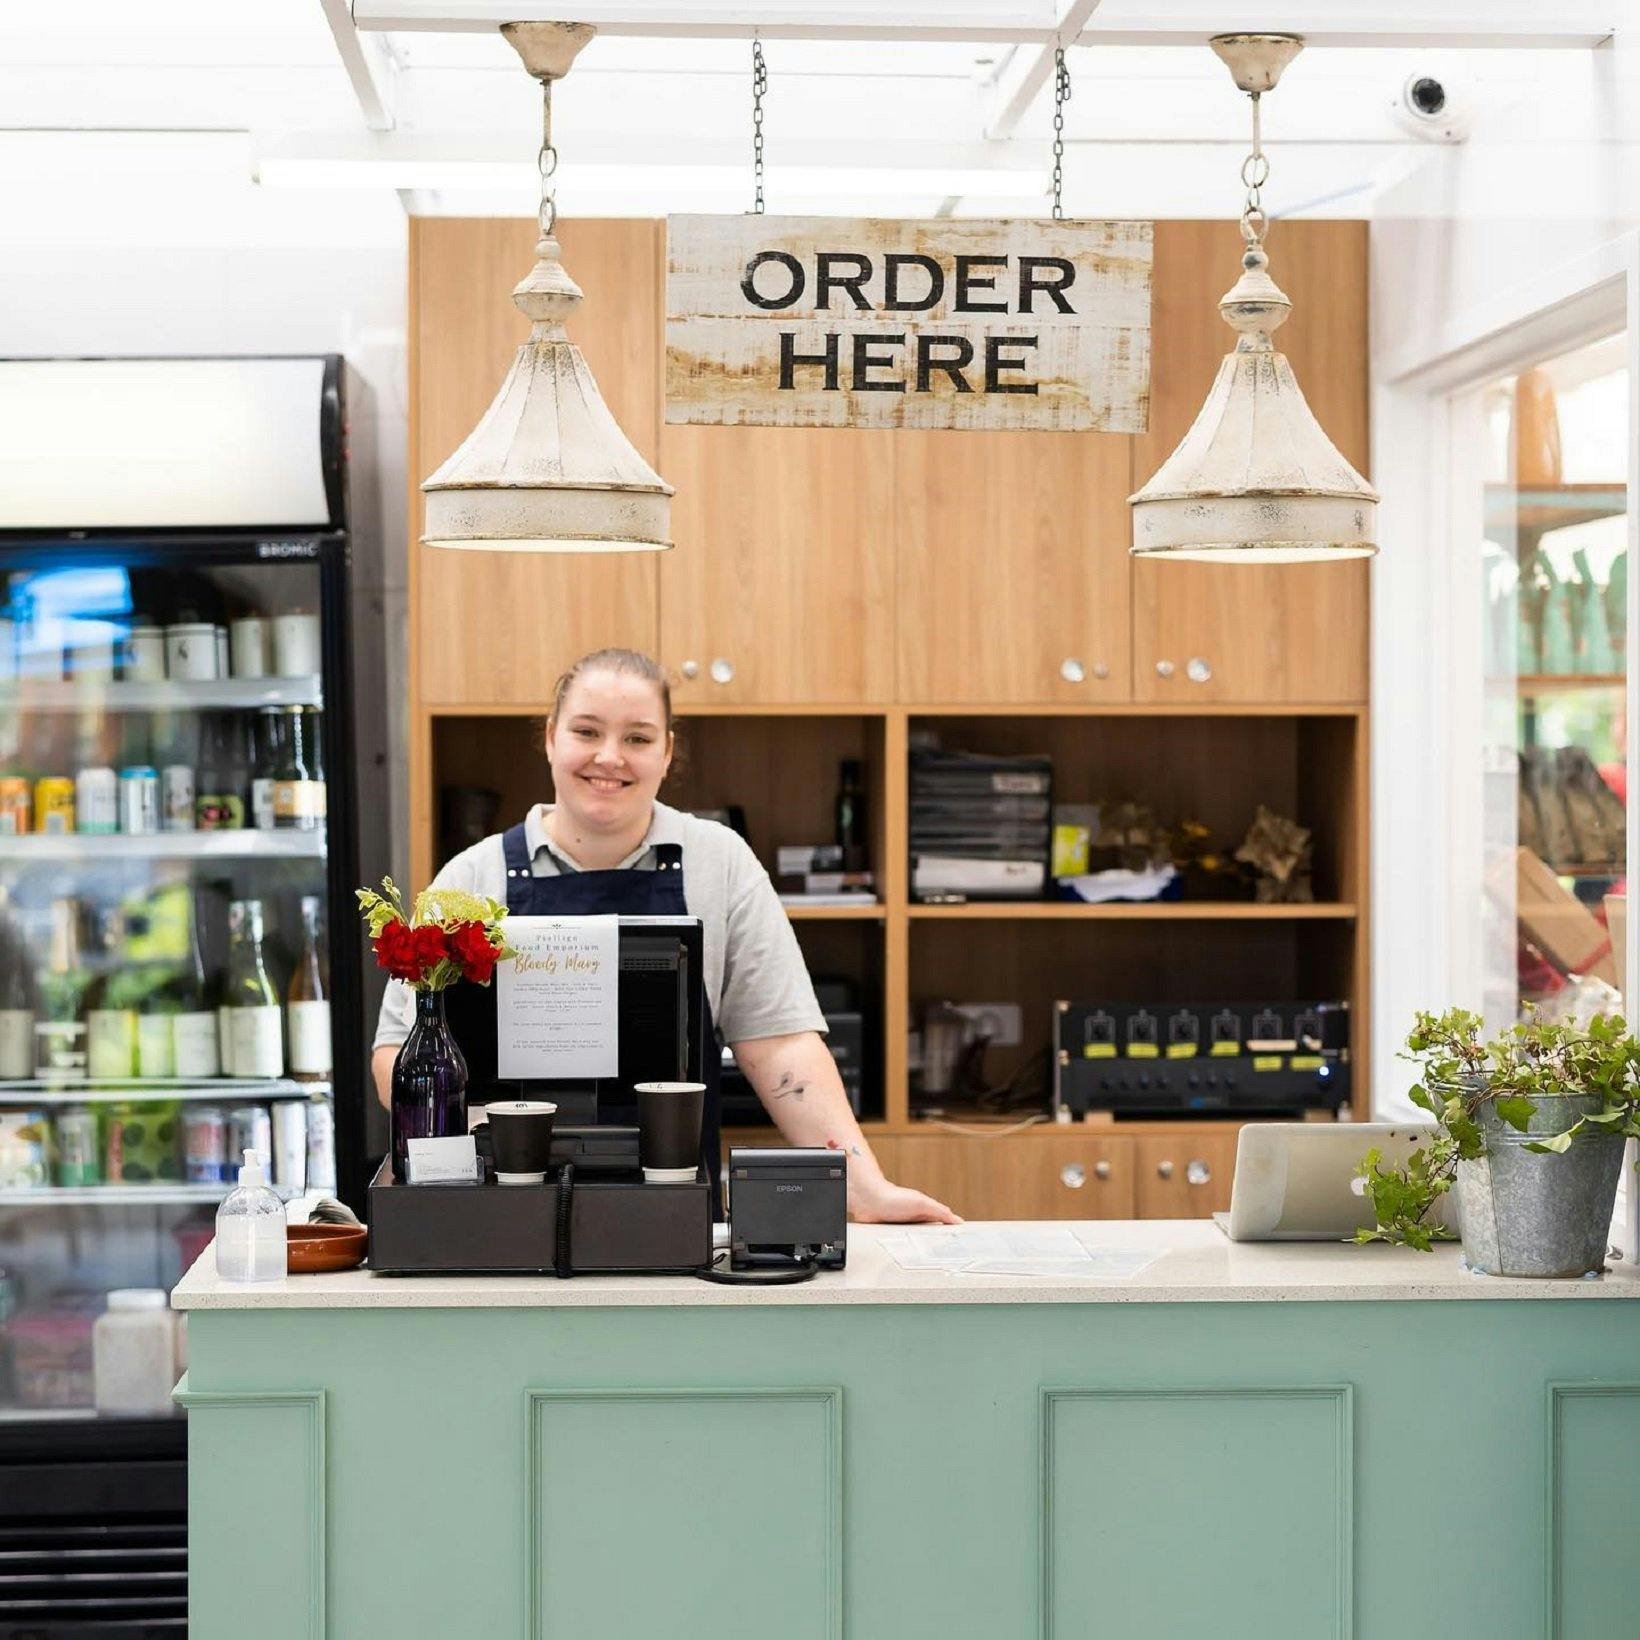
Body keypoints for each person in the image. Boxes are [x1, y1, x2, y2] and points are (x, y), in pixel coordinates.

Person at [372, 646, 958, 1225]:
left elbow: (780, 1046)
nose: (610, 757)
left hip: (674, 1211)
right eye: (586, 731)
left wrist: (866, 1187)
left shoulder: (719, 861)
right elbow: (399, 1054)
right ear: (550, 737)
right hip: (498, 1214)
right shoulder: (474, 877)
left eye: (638, 738)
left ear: (668, 751)